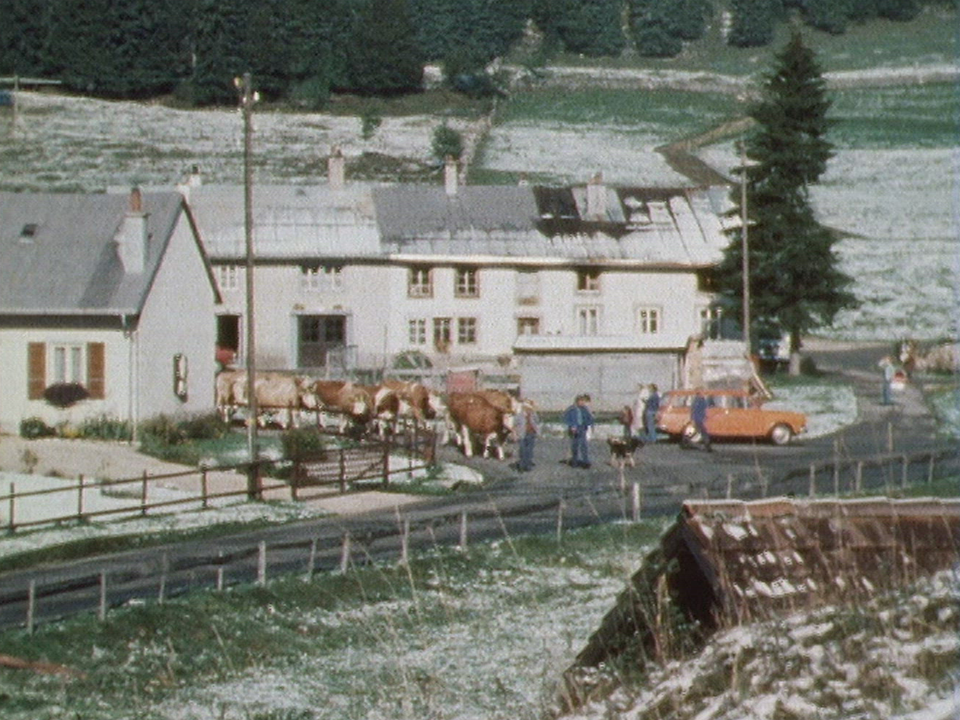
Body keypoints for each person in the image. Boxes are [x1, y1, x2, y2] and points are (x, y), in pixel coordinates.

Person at [563, 393, 595, 468]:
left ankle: (585, 461)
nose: (583, 403)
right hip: (574, 429)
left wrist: (588, 424)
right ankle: (574, 461)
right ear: (577, 401)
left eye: (583, 401)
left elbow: (589, 418)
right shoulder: (571, 409)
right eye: (581, 401)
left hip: (582, 428)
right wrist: (571, 426)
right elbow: (566, 418)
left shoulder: (585, 409)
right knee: (575, 446)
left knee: (584, 445)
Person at [513, 399, 540, 472]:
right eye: (526, 407)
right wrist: (515, 435)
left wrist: (537, 431)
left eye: (529, 408)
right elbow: (514, 425)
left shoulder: (533, 414)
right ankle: (522, 465)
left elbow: (537, 422)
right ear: (523, 407)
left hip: (531, 433)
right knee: (522, 450)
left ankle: (527, 465)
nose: (528, 409)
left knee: (529, 450)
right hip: (522, 434)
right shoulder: (519, 415)